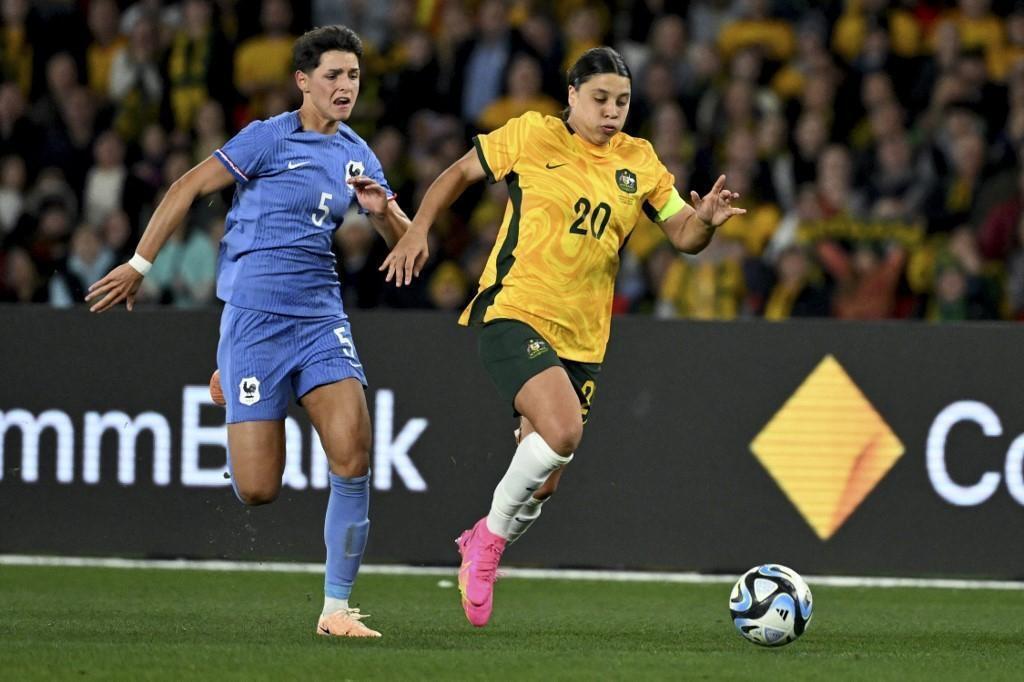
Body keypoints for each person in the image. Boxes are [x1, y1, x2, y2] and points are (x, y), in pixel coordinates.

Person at [380, 46, 745, 627]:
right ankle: (486, 545)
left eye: (622, 101)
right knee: (564, 428)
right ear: (571, 96)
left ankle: (489, 530)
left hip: (584, 340)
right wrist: (417, 230)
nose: (612, 111)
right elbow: (457, 174)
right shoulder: (531, 135)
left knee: (543, 485)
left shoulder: (640, 161)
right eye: (599, 99)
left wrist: (703, 221)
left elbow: (682, 234)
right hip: (514, 310)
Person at [86, 25, 410, 638]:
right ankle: (236, 382)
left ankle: (336, 610)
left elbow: (407, 242)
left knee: (354, 452)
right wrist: (139, 264)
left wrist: (385, 212)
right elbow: (186, 188)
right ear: (303, 81)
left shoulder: (359, 154)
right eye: (335, 75)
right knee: (259, 490)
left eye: (354, 76)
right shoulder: (266, 138)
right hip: (256, 319)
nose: (346, 86)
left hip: (320, 317)